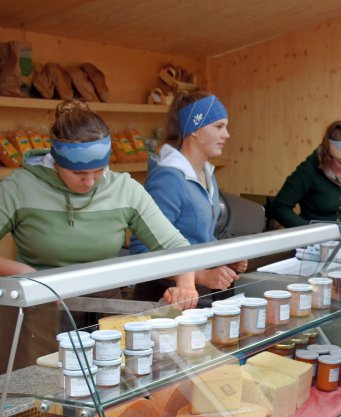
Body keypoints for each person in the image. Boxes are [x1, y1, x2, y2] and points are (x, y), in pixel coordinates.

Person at [0, 99, 197, 368]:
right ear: (56, 162)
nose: (90, 182)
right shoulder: (19, 188)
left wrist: (186, 283)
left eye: (98, 171)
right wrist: (22, 272)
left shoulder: (125, 189)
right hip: (40, 309)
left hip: (106, 310)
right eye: (78, 173)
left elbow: (175, 245)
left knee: (108, 387)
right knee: (44, 392)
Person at [130, 92, 247, 303]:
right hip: (165, 299)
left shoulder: (206, 173)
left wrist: (225, 260)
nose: (227, 135)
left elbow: (202, 236)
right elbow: (142, 250)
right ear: (195, 129)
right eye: (219, 126)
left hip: (197, 294)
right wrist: (202, 275)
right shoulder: (169, 178)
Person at [270, 121, 341, 228]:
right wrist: (306, 230)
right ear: (328, 156)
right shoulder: (309, 169)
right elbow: (279, 207)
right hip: (313, 239)